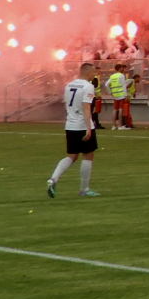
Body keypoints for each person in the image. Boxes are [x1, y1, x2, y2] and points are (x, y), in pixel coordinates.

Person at [47, 64, 101, 198]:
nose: (95, 74)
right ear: (88, 72)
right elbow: (86, 108)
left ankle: (53, 178)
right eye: (94, 71)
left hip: (70, 124)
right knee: (88, 155)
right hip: (82, 125)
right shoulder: (88, 87)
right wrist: (89, 127)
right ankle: (84, 189)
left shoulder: (69, 85)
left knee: (71, 155)